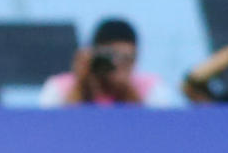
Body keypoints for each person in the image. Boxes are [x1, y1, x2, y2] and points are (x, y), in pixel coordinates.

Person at [37, 18, 174, 107]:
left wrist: (125, 89)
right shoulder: (59, 87)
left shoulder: (151, 88)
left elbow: (153, 129)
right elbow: (55, 126)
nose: (119, 65)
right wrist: (82, 82)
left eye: (127, 59)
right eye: (113, 56)